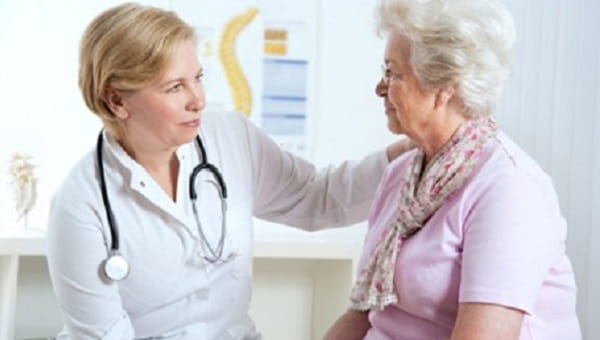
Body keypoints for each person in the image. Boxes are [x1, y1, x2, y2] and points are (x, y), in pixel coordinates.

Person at [45, 3, 413, 340]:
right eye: (175, 87)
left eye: (198, 77)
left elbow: (316, 197)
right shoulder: (81, 205)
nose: (198, 99)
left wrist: (409, 150)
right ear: (117, 100)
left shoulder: (227, 137)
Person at [324, 0, 581, 339]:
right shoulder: (401, 174)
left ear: (444, 86)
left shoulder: (509, 189)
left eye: (392, 73)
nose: (379, 88)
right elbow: (363, 315)